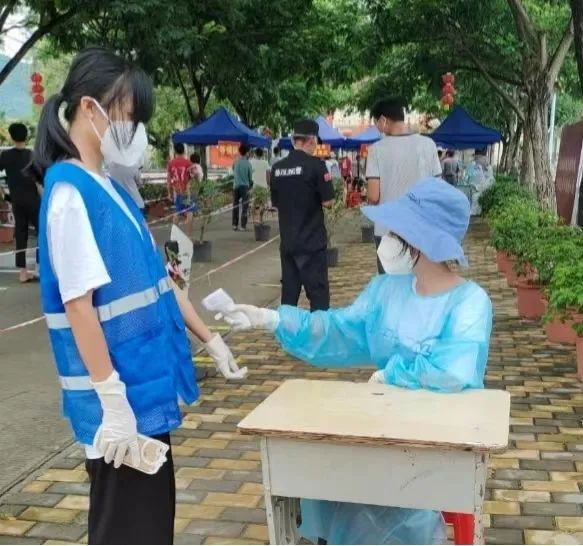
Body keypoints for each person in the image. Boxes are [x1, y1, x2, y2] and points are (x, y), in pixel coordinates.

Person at [27, 47, 245, 545]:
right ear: (90, 108)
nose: (135, 129)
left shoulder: (111, 188)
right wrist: (112, 400)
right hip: (119, 402)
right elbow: (78, 306)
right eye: (129, 115)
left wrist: (210, 339)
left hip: (143, 391)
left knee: (149, 528)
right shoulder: (70, 195)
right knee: (127, 532)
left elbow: (158, 281)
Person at [217, 177, 493, 545]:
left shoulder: (470, 302)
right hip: (383, 429)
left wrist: (392, 376)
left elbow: (453, 370)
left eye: (396, 232)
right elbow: (337, 329)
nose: (387, 240)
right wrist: (272, 319)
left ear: (420, 240)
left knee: (398, 508)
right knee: (329, 471)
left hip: (435, 445)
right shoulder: (385, 292)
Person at [366, 97, 442, 274]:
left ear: (383, 120)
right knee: (421, 280)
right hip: (422, 227)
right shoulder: (428, 145)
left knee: (391, 282)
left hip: (388, 230)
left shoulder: (376, 150)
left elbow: (373, 196)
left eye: (376, 123)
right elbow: (437, 189)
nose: (377, 128)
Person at [270, 119, 335, 311]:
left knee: (289, 296)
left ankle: (287, 329)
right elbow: (328, 202)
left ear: (293, 140)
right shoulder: (317, 166)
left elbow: (276, 203)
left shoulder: (277, 168)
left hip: (288, 242)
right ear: (312, 140)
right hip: (311, 242)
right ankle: (319, 330)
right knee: (318, 296)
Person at [0, 123, 40, 282]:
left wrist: (3, 193)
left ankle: (23, 272)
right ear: (27, 136)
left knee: (21, 233)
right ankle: (40, 267)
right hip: (34, 199)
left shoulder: (5, 156)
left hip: (16, 199)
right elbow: (39, 181)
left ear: (11, 137)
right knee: (41, 232)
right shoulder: (33, 155)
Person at [166, 142, 192, 217]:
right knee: (188, 212)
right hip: (186, 191)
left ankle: (175, 224)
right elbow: (191, 179)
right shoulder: (188, 163)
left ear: (175, 151)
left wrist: (169, 193)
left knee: (177, 212)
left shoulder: (170, 163)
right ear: (184, 151)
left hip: (176, 191)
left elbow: (168, 180)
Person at [232, 144, 253, 231]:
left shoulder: (235, 162)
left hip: (236, 186)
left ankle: (234, 225)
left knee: (235, 205)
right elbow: (250, 178)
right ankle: (243, 226)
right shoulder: (248, 164)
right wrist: (250, 184)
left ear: (240, 152)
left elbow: (233, 171)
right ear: (247, 152)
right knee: (245, 206)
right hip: (245, 187)